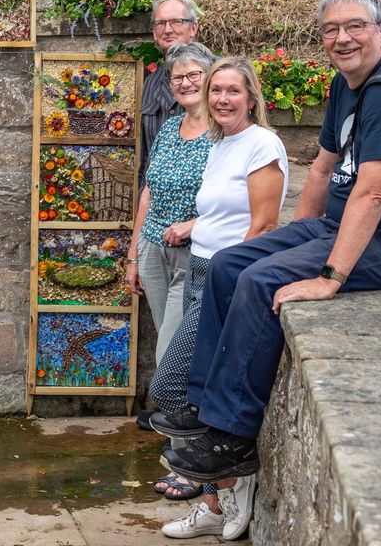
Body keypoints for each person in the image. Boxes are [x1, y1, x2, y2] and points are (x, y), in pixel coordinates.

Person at [160, 0, 381, 505]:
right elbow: (321, 166)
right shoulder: (349, 84)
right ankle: (203, 406)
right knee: (230, 264)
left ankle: (232, 437)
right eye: (331, 30)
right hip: (335, 228)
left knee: (259, 280)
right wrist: (301, 236)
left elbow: (374, 191)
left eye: (355, 27)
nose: (342, 39)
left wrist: (328, 276)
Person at [148, 57, 289, 540]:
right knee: (194, 392)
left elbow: (263, 228)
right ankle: (214, 501)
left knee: (170, 390)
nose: (222, 99)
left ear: (251, 98)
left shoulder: (262, 144)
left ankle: (233, 480)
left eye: (232, 91)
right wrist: (192, 227)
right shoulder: (220, 143)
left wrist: (238, 291)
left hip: (229, 278)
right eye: (216, 91)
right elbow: (216, 213)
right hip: (199, 266)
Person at [122, 42, 216, 501]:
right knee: (170, 348)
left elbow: (239, 204)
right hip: (155, 251)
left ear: (211, 77)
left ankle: (186, 464)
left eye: (194, 74)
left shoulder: (225, 135)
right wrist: (134, 254)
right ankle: (184, 449)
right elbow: (148, 191)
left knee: (171, 358)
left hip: (195, 257)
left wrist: (192, 225)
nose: (186, 83)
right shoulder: (171, 128)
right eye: (178, 77)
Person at [139, 0, 202, 181]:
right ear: (154, 32)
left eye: (176, 22)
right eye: (160, 23)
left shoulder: (215, 76)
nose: (167, 30)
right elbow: (145, 157)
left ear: (193, 28)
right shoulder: (150, 83)